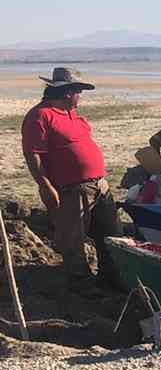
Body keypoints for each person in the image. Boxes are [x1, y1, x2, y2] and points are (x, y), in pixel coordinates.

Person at [19, 67, 122, 290]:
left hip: (99, 185)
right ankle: (81, 283)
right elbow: (33, 154)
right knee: (73, 238)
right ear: (67, 93)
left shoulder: (72, 114)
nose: (80, 97)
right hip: (72, 189)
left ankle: (111, 276)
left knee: (112, 233)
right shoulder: (40, 115)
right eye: (79, 92)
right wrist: (45, 186)